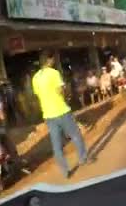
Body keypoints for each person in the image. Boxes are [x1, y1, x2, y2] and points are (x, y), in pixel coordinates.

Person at [32, 50, 88, 178]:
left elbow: (38, 95)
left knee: (57, 145)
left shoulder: (35, 78)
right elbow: (60, 91)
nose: (54, 61)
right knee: (75, 135)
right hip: (61, 110)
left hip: (48, 115)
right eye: (53, 59)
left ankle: (65, 171)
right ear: (49, 60)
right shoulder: (54, 73)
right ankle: (83, 158)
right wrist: (64, 92)